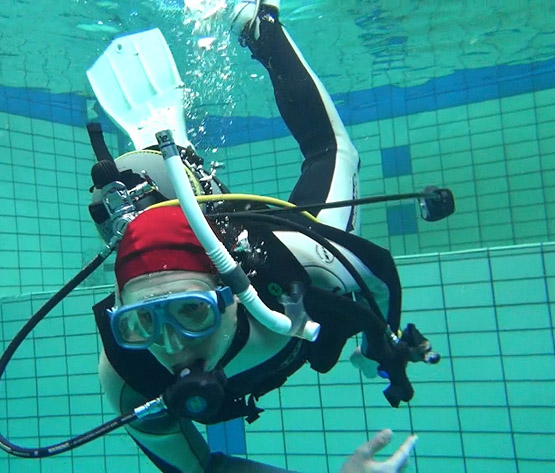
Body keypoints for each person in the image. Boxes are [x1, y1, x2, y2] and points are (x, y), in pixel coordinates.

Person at [89, 1, 437, 471]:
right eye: (141, 323)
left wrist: (381, 344)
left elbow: (380, 274)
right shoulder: (128, 375)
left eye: (193, 311)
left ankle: (258, 25)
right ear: (120, 314)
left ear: (232, 290)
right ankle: (171, 170)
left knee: (333, 152)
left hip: (258, 244)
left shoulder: (301, 261)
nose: (171, 346)